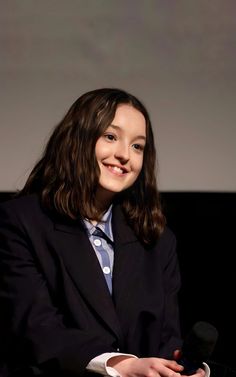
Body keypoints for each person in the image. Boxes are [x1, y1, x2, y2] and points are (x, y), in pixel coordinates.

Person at [0, 88, 209, 377]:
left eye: (138, 146)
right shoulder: (20, 221)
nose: (124, 155)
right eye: (110, 137)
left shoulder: (158, 239)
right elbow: (35, 328)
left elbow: (166, 337)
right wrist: (121, 365)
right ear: (77, 140)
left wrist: (178, 369)